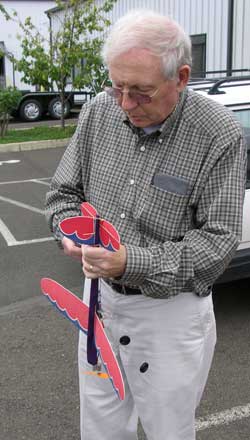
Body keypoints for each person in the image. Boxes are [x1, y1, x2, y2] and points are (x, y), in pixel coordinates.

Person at [45, 10, 247, 440]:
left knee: (168, 430)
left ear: (182, 77)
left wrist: (127, 263)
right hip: (99, 301)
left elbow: (217, 245)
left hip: (169, 314)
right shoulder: (100, 113)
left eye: (141, 92)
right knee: (100, 426)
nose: (125, 104)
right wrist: (69, 233)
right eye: (117, 87)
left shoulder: (218, 134)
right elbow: (62, 194)